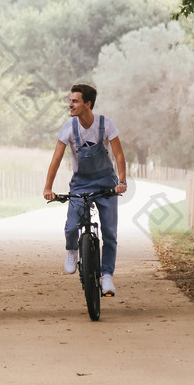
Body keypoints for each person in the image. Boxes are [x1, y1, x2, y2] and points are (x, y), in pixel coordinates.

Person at [43, 83, 127, 297]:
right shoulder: (69, 127)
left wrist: (122, 181)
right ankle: (72, 250)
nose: (70, 104)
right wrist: (48, 187)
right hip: (80, 184)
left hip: (107, 183)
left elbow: (118, 155)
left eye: (75, 101)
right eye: (70, 100)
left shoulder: (105, 124)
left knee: (110, 232)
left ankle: (107, 275)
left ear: (87, 104)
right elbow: (56, 158)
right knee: (72, 226)